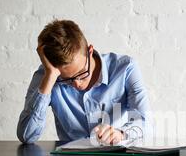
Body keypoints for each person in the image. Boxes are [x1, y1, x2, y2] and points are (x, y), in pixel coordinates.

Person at [17, 19, 151, 145]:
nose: (77, 84)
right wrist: (50, 77)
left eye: (81, 73)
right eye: (67, 79)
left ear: (90, 51)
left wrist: (121, 134)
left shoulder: (125, 68)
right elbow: (26, 136)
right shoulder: (47, 75)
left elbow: (145, 123)